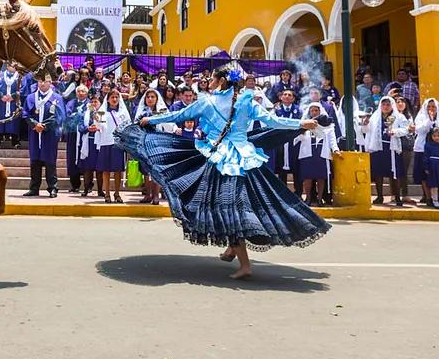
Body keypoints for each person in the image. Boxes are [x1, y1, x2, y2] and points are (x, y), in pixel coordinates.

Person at [127, 66, 327, 279]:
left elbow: (179, 115)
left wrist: (151, 120)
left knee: (228, 208)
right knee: (241, 205)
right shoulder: (245, 100)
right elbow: (273, 121)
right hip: (245, 158)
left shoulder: (207, 102)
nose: (208, 81)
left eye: (212, 78)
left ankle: (245, 265)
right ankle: (232, 250)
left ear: (221, 81)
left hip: (220, 158)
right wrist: (300, 123)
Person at [363, 96, 411, 206]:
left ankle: (397, 197)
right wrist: (365, 124)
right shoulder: (374, 117)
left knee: (394, 174)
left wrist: (394, 131)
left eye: (388, 104)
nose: (385, 107)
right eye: (383, 104)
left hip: (392, 148)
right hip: (377, 148)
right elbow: (366, 131)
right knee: (378, 174)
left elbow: (405, 129)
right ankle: (380, 196)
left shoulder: (399, 116)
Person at [22, 76, 64, 198]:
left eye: (45, 81)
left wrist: (45, 126)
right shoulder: (31, 97)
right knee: (35, 160)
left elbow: (59, 116)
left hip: (50, 134)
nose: (42, 83)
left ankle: (53, 188)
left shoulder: (57, 98)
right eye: (40, 81)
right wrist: (35, 124)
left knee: (50, 160)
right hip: (35, 133)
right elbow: (26, 114)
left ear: (50, 83)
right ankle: (34, 188)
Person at [295, 103, 341, 206]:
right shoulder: (304, 123)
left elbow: (332, 139)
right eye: (312, 110)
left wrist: (335, 149)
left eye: (316, 110)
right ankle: (308, 198)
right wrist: (301, 133)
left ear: (320, 111)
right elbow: (297, 139)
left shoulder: (328, 124)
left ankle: (320, 199)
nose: (314, 112)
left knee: (321, 177)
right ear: (309, 112)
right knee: (307, 177)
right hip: (307, 152)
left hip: (322, 153)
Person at [133, 88, 173, 204]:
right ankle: (148, 195)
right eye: (148, 97)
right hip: (144, 143)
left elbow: (170, 123)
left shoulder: (162, 111)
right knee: (145, 170)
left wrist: (175, 129)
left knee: (156, 170)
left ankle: (156, 195)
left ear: (157, 99)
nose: (150, 99)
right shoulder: (141, 112)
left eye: (152, 97)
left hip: (157, 143)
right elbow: (136, 126)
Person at [95, 90, 132, 203]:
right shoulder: (101, 112)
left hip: (118, 144)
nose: (114, 99)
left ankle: (117, 193)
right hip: (106, 142)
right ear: (107, 99)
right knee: (106, 170)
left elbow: (128, 126)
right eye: (112, 97)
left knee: (118, 170)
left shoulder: (123, 112)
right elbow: (99, 126)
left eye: (116, 97)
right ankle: (107, 193)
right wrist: (96, 121)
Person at [413, 98, 439, 205]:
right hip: (422, 148)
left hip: (437, 150)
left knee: (435, 174)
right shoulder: (421, 116)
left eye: (433, 107)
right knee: (423, 174)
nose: (431, 109)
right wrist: (429, 121)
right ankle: (428, 197)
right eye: (429, 107)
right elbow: (419, 130)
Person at [0, 63, 22, 149]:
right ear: (7, 66)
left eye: (15, 66)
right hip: (1, 102)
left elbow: (24, 88)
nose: (13, 67)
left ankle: (15, 141)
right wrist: (0, 95)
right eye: (11, 65)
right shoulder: (0, 75)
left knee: (14, 122)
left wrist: (14, 96)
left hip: (13, 103)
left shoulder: (20, 77)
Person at [273, 88, 302, 193]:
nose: (287, 96)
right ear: (281, 97)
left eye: (290, 95)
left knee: (296, 167)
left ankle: (298, 192)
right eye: (284, 94)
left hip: (294, 142)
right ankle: (283, 194)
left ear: (293, 99)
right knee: (281, 168)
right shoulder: (276, 110)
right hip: (281, 141)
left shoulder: (298, 110)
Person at [64, 84, 90, 193]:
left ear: (86, 93)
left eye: (83, 91)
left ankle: (88, 185)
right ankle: (75, 184)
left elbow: (93, 115)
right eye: (79, 91)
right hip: (73, 133)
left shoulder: (90, 104)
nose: (81, 93)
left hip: (85, 134)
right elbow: (67, 115)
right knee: (72, 157)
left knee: (86, 158)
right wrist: (77, 115)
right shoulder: (71, 103)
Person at [79, 93, 103, 197]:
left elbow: (107, 127)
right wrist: (88, 129)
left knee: (99, 168)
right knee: (87, 168)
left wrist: (99, 128)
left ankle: (100, 190)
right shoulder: (85, 114)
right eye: (92, 101)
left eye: (96, 102)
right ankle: (86, 188)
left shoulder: (103, 113)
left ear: (100, 103)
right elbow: (80, 127)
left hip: (99, 143)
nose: (93, 103)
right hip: (88, 142)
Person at [395, 96, 417, 204]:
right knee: (396, 172)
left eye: (402, 101)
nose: (400, 104)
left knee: (404, 171)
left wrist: (412, 130)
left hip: (407, 146)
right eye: (397, 102)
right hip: (395, 145)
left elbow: (412, 131)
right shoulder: (393, 115)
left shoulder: (409, 116)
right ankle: (396, 194)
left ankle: (405, 194)